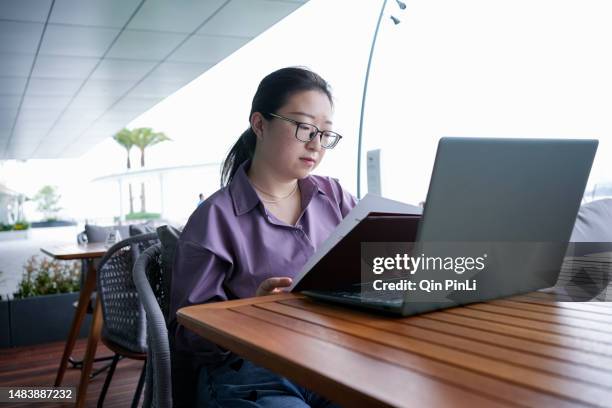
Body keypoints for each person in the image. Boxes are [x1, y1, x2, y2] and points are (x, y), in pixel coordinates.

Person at [169, 67, 357, 407]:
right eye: (303, 127)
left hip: (333, 359)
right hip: (252, 369)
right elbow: (189, 332)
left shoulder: (335, 197)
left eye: (325, 133)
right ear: (260, 124)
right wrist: (251, 313)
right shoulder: (215, 218)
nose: (316, 144)